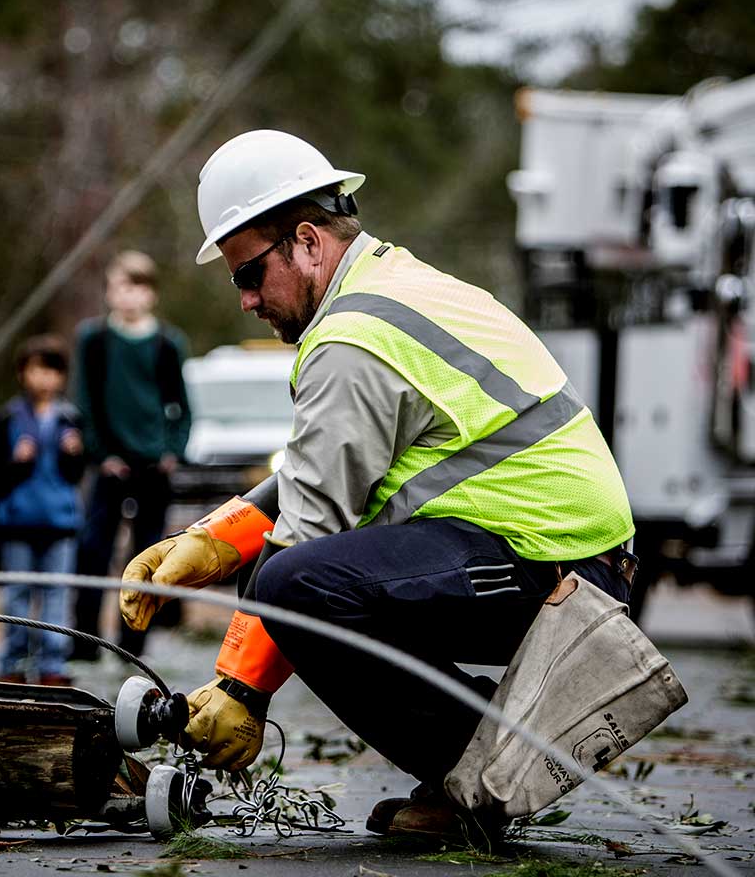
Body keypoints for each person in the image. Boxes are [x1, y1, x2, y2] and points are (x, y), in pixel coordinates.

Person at [119, 130, 637, 842]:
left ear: (307, 242)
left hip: (558, 574)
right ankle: (474, 756)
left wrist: (242, 689)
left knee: (295, 584)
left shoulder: (351, 342)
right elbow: (319, 471)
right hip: (564, 556)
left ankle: (481, 770)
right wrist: (210, 539)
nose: (244, 300)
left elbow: (309, 530)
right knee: (288, 575)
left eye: (246, 275)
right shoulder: (394, 285)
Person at [70, 250, 192, 659]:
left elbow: (181, 406)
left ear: (151, 294)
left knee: (147, 556)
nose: (128, 296)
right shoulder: (95, 340)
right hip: (109, 463)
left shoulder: (167, 343)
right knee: (93, 550)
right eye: (120, 286)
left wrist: (172, 451)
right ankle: (84, 643)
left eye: (137, 286)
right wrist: (100, 453)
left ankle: (133, 646)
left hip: (153, 465)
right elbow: (85, 401)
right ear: (109, 292)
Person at [0, 335, 85, 685]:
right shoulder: (8, 419)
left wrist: (74, 454)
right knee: (17, 592)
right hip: (18, 520)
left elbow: (76, 476)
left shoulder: (70, 418)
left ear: (61, 377)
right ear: (22, 374)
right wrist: (16, 462)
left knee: (57, 594)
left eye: (52, 371)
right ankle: (13, 662)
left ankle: (52, 665)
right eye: (36, 370)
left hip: (60, 520)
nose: (44, 379)